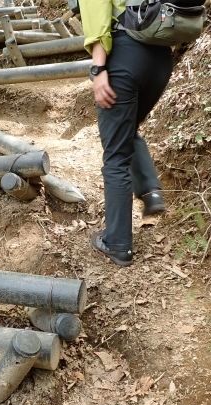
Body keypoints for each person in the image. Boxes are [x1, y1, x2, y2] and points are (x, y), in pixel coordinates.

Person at [80, 0, 173, 267]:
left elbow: (98, 17)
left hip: (124, 57)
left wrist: (98, 69)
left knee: (116, 155)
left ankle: (118, 243)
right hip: (161, 59)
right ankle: (150, 190)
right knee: (126, 130)